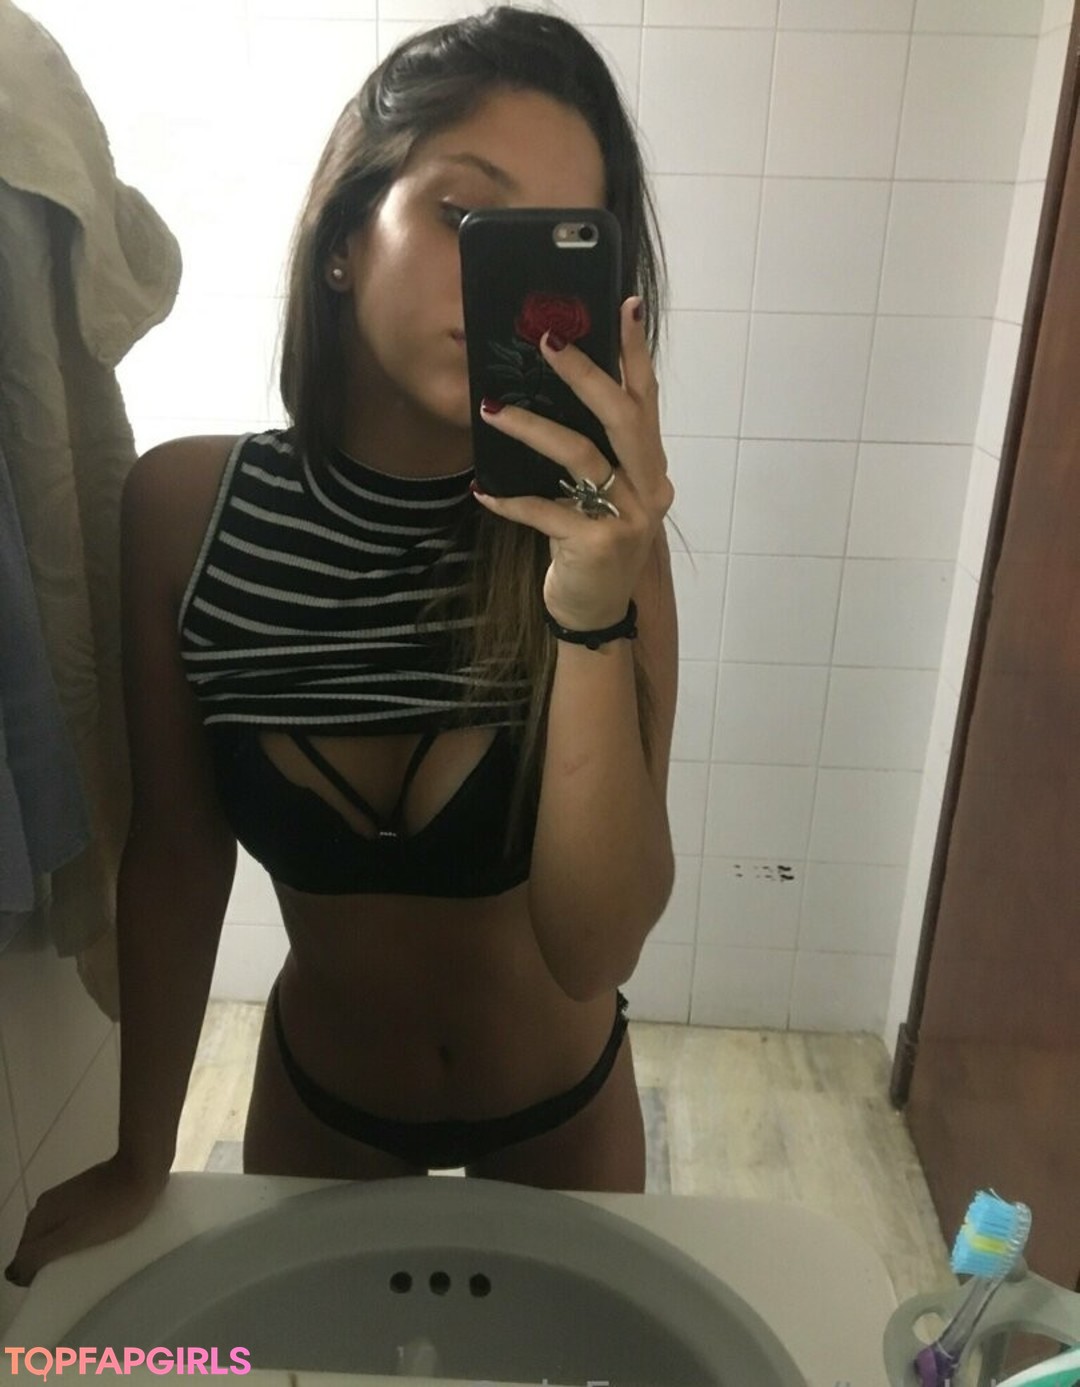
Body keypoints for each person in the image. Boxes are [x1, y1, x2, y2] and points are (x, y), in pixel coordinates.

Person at [6, 3, 678, 1289]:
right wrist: (141, 1152)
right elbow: (178, 855)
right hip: (323, 1113)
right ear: (341, 239)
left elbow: (597, 946)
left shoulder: (603, 542)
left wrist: (593, 604)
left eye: (554, 243)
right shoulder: (184, 514)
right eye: (462, 213)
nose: (502, 285)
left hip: (565, 1119)